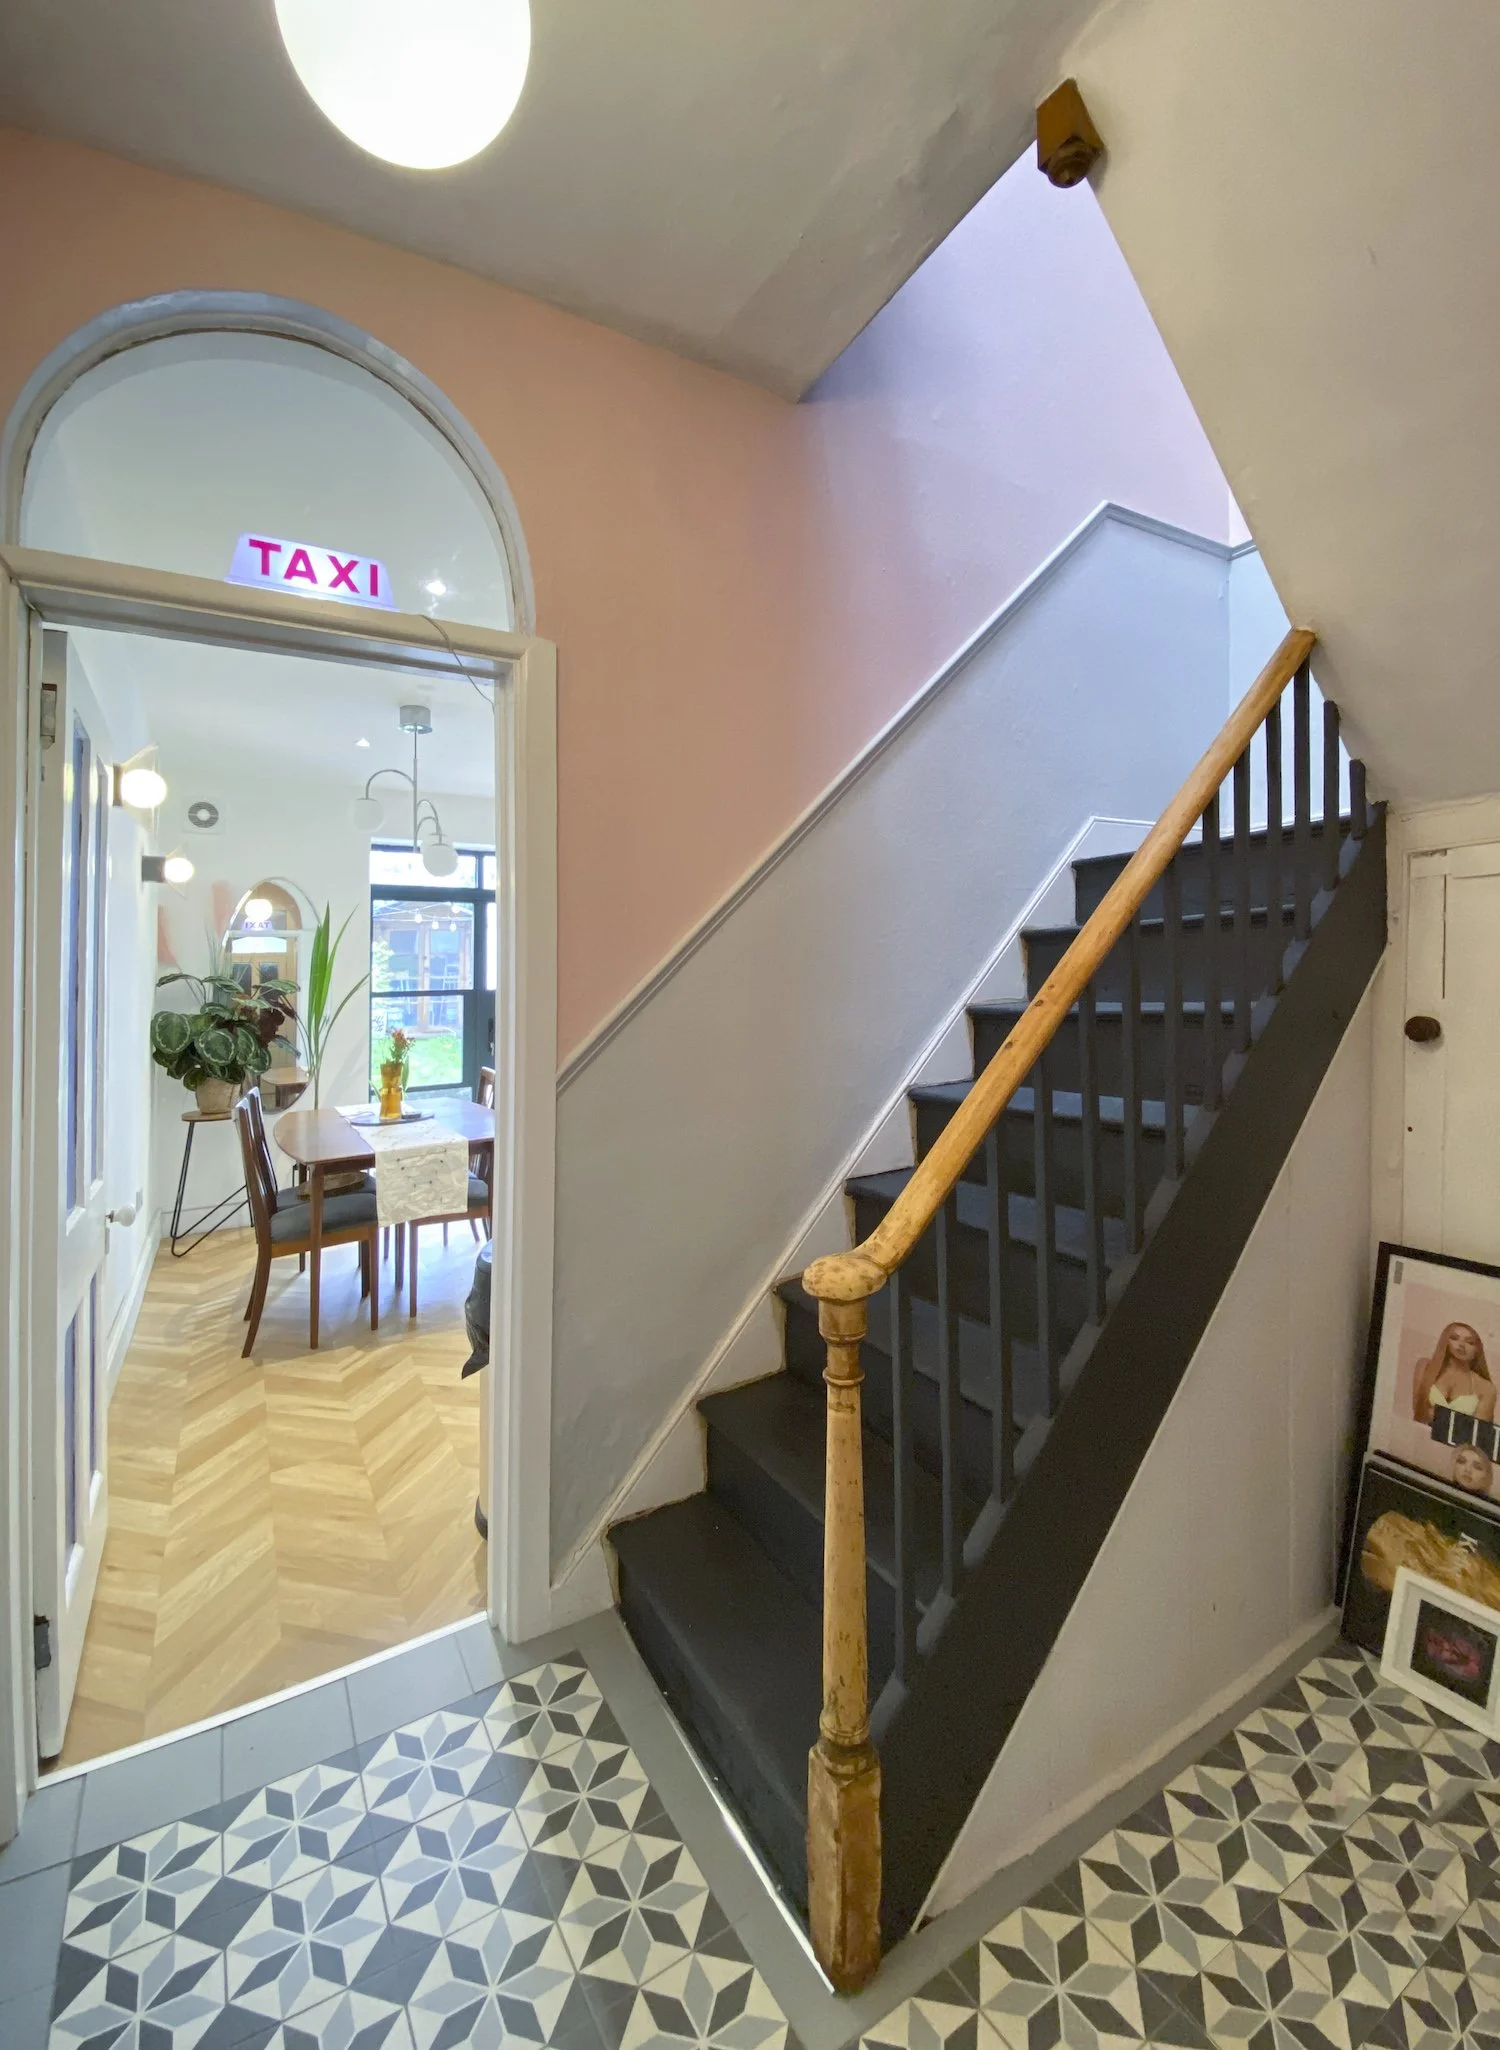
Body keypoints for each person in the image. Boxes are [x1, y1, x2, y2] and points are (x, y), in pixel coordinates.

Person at [1413, 1322, 1496, 1425]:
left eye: (1470, 1342)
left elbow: (1477, 1433)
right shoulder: (1425, 1367)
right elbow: (1418, 1413)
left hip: (1461, 1441)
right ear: (1445, 1341)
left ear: (1477, 1350)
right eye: (1454, 1338)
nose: (1461, 1345)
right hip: (1422, 1436)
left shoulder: (1486, 1388)